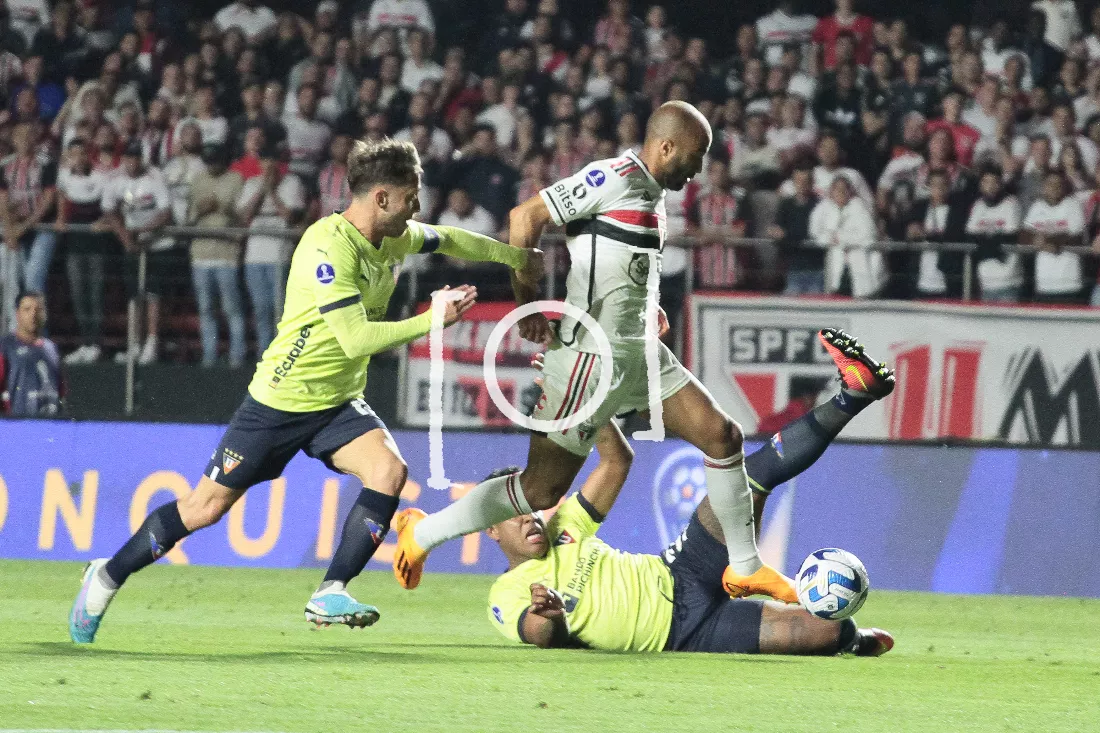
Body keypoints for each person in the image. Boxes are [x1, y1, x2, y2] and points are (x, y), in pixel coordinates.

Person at [68, 137, 543, 644]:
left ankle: (331, 590)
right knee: (203, 508)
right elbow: (356, 336)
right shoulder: (327, 247)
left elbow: (450, 239)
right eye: (411, 196)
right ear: (381, 197)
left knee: (389, 471)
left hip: (337, 401)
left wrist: (516, 255)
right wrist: (430, 322)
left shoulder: (395, 235)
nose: (417, 207)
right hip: (281, 401)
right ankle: (107, 575)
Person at [394, 101, 799, 605]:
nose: (697, 172)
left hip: (640, 355)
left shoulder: (652, 196)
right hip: (587, 361)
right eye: (694, 158)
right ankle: (423, 535)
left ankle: (744, 568)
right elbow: (525, 218)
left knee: (722, 437)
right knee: (540, 491)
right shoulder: (612, 177)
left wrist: (647, 310)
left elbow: (620, 268)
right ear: (665, 146)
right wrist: (527, 306)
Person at [486, 329, 895, 656]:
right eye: (514, 511)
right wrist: (552, 615)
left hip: (682, 569)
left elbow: (615, 461)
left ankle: (853, 394)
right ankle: (853, 641)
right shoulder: (504, 595)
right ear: (491, 529)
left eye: (530, 506)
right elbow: (540, 635)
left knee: (747, 476)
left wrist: (579, 400)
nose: (529, 516)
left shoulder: (564, 525)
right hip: (685, 635)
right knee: (829, 631)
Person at [98, 142, 172, 366]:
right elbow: (109, 209)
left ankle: (152, 341)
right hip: (132, 244)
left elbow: (165, 212)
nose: (133, 162)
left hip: (156, 244)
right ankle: (134, 343)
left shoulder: (154, 178)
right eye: (129, 158)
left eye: (136, 157)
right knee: (134, 294)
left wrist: (140, 232)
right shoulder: (116, 180)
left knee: (152, 294)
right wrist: (125, 237)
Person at [188, 145, 246, 367]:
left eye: (215, 161)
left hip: (227, 254)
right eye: (208, 161)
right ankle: (209, 355)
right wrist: (200, 210)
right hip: (200, 253)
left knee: (232, 307)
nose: (211, 166)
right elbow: (188, 217)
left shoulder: (236, 180)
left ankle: (237, 356)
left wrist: (221, 206)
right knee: (205, 308)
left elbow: (242, 216)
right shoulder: (198, 180)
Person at [56, 138, 109, 365]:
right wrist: (60, 218)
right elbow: (60, 201)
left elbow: (110, 207)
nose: (77, 158)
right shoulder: (64, 178)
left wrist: (104, 221)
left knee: (95, 293)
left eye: (81, 153)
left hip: (95, 246)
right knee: (78, 293)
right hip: (75, 246)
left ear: (88, 156)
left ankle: (96, 343)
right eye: (73, 154)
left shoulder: (101, 178)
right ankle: (85, 343)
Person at [0, 123, 57, 304]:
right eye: (20, 136)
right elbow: (3, 200)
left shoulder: (45, 164)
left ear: (35, 139)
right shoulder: (5, 166)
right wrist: (10, 230)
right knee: (17, 280)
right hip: (16, 226)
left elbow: (47, 202)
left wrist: (22, 228)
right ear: (13, 140)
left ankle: (37, 329)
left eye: (29, 135)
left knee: (33, 278)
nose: (25, 140)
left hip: (42, 226)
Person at [0, 291, 61, 416]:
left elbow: (61, 390)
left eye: (38, 310)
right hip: (18, 425)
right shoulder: (6, 346)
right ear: (18, 314)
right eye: (27, 309)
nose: (33, 314)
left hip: (50, 426)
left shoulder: (51, 348)